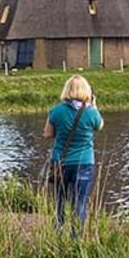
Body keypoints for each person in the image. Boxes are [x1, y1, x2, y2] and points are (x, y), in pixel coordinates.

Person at [43, 75, 104, 227]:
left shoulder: (56, 111)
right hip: (84, 162)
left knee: (60, 201)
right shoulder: (92, 113)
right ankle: (77, 239)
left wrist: (63, 131)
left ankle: (58, 233)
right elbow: (99, 126)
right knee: (80, 203)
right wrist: (93, 106)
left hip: (60, 163)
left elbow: (47, 134)